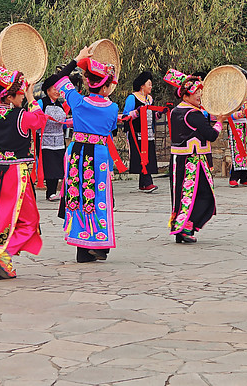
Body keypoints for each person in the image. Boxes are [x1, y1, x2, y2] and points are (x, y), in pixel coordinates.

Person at [0, 64, 46, 279]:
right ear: (10, 96)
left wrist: (6, 78)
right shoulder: (22, 116)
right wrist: (32, 99)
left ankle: (1, 266)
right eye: (20, 94)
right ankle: (0, 251)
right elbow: (40, 120)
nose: (22, 98)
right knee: (29, 219)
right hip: (13, 172)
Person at [53, 48, 120, 263]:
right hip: (99, 153)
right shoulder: (112, 108)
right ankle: (99, 243)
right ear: (106, 86)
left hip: (77, 153)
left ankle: (82, 248)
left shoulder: (77, 101)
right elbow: (110, 129)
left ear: (89, 83)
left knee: (78, 196)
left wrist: (77, 59)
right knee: (99, 197)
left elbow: (59, 78)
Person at [164, 68, 225, 243]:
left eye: (200, 92)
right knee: (201, 194)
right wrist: (220, 122)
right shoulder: (194, 114)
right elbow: (211, 135)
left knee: (182, 195)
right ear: (186, 96)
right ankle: (186, 227)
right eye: (196, 93)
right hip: (192, 160)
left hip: (179, 159)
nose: (200, 95)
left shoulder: (177, 111)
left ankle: (181, 227)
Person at [122, 71, 160, 192]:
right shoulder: (132, 98)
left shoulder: (150, 99)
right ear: (142, 85)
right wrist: (136, 113)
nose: (151, 86)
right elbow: (125, 115)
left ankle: (143, 184)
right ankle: (147, 183)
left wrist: (160, 112)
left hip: (148, 133)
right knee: (141, 156)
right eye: (149, 84)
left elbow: (153, 115)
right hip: (137, 133)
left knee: (148, 156)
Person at [38, 72, 71, 201]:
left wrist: (68, 123)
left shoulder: (60, 104)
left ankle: (54, 191)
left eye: (58, 89)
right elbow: (36, 119)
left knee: (58, 166)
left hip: (59, 141)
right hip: (45, 141)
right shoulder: (42, 103)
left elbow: (62, 124)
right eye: (54, 89)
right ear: (48, 90)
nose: (57, 92)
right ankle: (50, 192)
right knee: (49, 166)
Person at [228, 70, 247, 187]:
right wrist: (240, 114)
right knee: (238, 151)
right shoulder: (232, 99)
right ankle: (233, 177)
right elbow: (228, 114)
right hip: (237, 127)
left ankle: (245, 177)